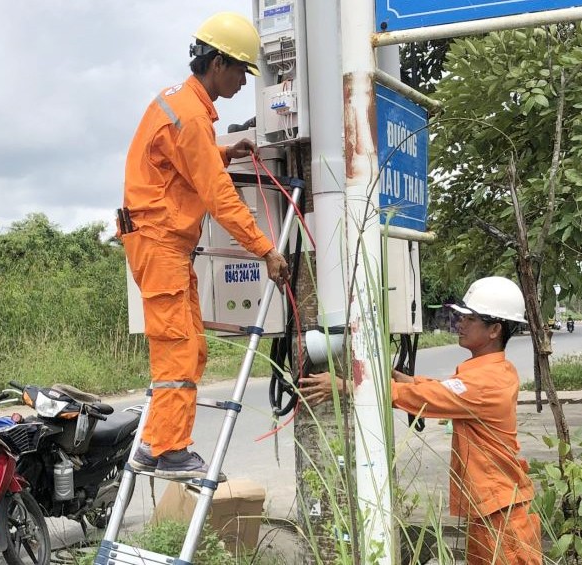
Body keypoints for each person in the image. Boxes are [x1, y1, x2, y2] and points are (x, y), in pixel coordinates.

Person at [118, 12, 289, 481]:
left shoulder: (184, 107)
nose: (241, 81)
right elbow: (219, 197)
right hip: (159, 243)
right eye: (239, 71)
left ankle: (155, 444)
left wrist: (221, 152)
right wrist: (265, 250)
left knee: (191, 348)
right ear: (216, 63)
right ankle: (171, 449)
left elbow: (179, 158)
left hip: (164, 244)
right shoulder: (192, 115)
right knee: (177, 348)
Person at [301, 276, 542, 564]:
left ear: (494, 329)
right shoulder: (493, 372)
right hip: (490, 507)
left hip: (502, 512)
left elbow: (434, 398)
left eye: (470, 318)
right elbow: (446, 390)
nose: (460, 323)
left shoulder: (486, 382)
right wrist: (410, 380)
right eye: (460, 315)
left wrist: (347, 387)